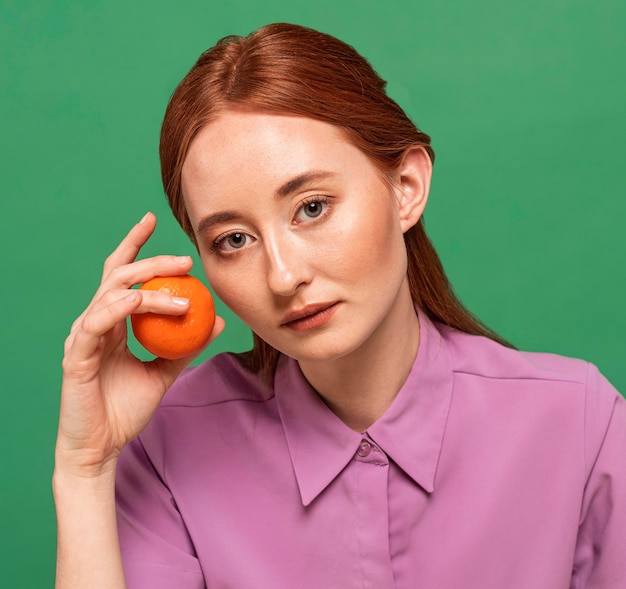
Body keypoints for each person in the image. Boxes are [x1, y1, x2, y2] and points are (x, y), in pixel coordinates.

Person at [54, 23, 625, 588]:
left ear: (405, 186)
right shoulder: (167, 446)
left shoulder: (582, 426)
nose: (283, 276)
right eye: (233, 239)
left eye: (312, 207)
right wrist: (86, 469)